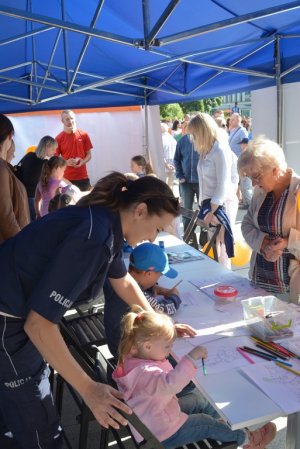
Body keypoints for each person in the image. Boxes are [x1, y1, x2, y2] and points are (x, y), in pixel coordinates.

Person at [0, 171, 196, 449]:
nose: (153, 237)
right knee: (39, 432)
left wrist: (159, 321)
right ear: (140, 211)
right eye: (157, 228)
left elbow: (124, 280)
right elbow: (39, 324)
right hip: (9, 325)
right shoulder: (94, 236)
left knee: (17, 416)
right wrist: (89, 389)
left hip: (15, 315)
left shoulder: (106, 222)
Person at [113, 307, 277, 449]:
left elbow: (162, 381)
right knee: (205, 422)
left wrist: (166, 337)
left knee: (199, 400)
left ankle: (228, 425)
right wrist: (190, 359)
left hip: (154, 414)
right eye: (167, 346)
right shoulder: (146, 373)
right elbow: (172, 384)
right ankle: (248, 440)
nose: (170, 349)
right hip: (161, 432)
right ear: (147, 346)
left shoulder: (135, 355)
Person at [238, 136, 300, 303]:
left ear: (276, 168)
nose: (253, 183)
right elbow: (247, 224)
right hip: (261, 283)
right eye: (250, 177)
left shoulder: (298, 191)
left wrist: (288, 241)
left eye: (257, 176)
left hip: (292, 288)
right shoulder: (262, 192)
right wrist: (263, 243)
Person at [104, 242, 181, 358]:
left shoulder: (118, 280)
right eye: (159, 276)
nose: (158, 279)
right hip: (129, 354)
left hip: (114, 342)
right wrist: (175, 297)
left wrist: (151, 287)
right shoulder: (138, 295)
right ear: (148, 273)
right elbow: (161, 312)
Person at [188, 113, 235, 267]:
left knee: (222, 249)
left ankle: (225, 283)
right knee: (213, 246)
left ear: (202, 131)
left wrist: (212, 210)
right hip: (208, 204)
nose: (192, 138)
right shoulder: (205, 150)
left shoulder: (220, 150)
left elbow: (223, 183)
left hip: (220, 205)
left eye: (194, 134)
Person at [0, 114, 30, 244]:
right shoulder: (1, 169)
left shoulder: (4, 167)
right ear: (10, 136)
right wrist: (22, 247)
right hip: (8, 250)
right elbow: (5, 216)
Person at [14, 135, 57, 221]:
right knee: (34, 220)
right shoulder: (45, 163)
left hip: (19, 191)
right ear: (47, 146)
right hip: (31, 195)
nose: (55, 152)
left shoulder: (29, 155)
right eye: (53, 149)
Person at [55, 109, 93, 191]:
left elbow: (89, 155)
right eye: (67, 119)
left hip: (82, 177)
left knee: (85, 202)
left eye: (71, 118)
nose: (70, 121)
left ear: (75, 118)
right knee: (68, 203)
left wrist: (82, 161)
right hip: (66, 178)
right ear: (62, 121)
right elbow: (55, 160)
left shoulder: (84, 135)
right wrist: (65, 162)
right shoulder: (59, 138)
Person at [173, 133, 199, 237]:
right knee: (187, 209)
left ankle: (204, 235)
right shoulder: (182, 141)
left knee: (203, 209)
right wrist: (179, 175)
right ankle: (189, 235)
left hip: (201, 182)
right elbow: (177, 159)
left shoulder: (204, 138)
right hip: (186, 182)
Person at [238, 137, 253, 209]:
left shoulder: (248, 152)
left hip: (246, 173)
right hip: (243, 173)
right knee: (243, 188)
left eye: (242, 144)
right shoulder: (245, 152)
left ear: (245, 144)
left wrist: (246, 171)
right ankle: (246, 203)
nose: (240, 145)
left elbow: (248, 163)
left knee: (246, 188)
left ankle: (250, 204)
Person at [161, 123, 177, 189]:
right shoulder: (172, 139)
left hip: (164, 164)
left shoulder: (161, 139)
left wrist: (166, 165)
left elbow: (161, 154)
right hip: (172, 164)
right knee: (170, 185)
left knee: (163, 185)